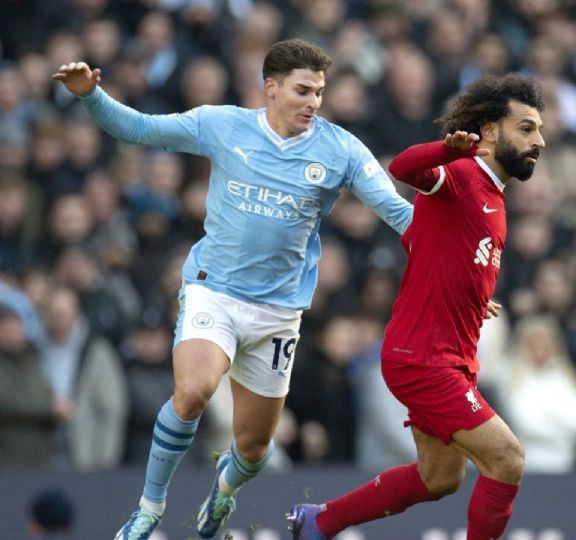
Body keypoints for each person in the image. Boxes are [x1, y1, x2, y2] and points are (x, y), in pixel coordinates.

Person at [53, 38, 414, 540]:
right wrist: (91, 95)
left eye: (320, 93)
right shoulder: (223, 126)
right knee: (194, 392)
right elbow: (138, 129)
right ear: (270, 88)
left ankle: (223, 493)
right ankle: (149, 509)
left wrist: (462, 268)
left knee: (253, 449)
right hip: (214, 290)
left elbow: (397, 212)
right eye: (303, 91)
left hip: (279, 313)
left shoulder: (341, 149)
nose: (314, 103)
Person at [287, 73, 545, 540]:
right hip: (424, 360)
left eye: (539, 130)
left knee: (440, 478)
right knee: (507, 459)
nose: (539, 140)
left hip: (447, 358)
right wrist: (451, 149)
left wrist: (472, 294)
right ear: (489, 131)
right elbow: (404, 167)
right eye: (526, 128)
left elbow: (432, 243)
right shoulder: (465, 174)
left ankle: (318, 522)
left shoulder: (493, 195)